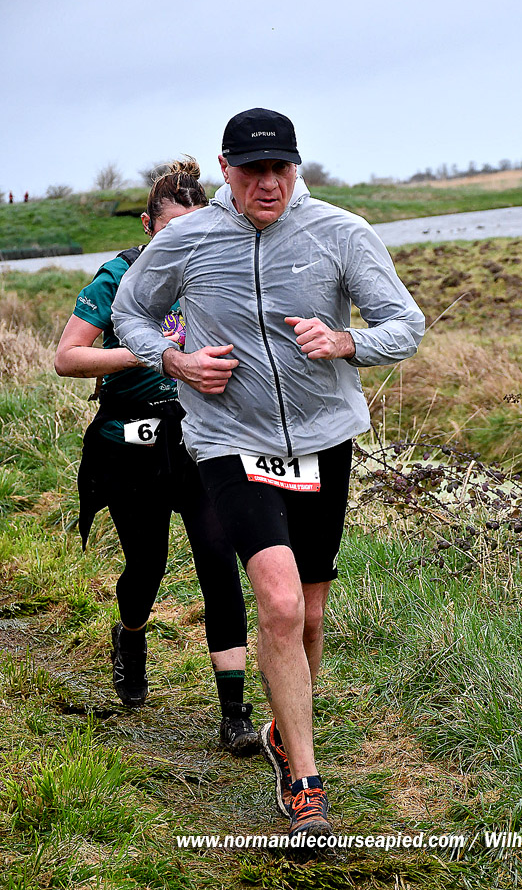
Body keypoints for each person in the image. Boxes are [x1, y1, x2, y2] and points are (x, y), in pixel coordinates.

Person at [112, 109, 425, 838]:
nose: (268, 183)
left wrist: (347, 341)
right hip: (228, 441)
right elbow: (131, 314)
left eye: (280, 168)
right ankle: (305, 782)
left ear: (295, 166)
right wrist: (175, 359)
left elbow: (404, 325)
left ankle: (287, 730)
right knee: (280, 605)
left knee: (310, 615)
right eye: (253, 170)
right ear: (225, 169)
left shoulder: (340, 232)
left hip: (323, 440)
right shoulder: (188, 238)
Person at [54, 158, 259, 757]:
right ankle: (131, 633)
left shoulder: (214, 271)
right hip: (131, 445)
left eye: (195, 230)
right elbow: (67, 358)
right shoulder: (118, 276)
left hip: (201, 439)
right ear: (148, 226)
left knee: (219, 563)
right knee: (146, 568)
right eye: (171, 231)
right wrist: (151, 352)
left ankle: (234, 713)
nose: (184, 242)